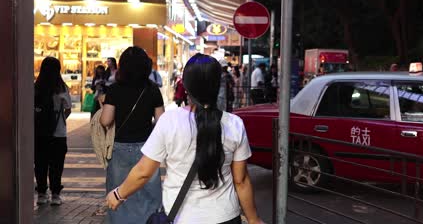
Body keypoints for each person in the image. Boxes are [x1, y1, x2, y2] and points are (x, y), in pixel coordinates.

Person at [105, 53, 265, 224]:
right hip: (225, 217)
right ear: (217, 85)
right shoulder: (235, 124)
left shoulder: (170, 121)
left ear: (186, 86)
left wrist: (119, 194)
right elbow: (241, 181)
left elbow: (144, 172)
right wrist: (253, 219)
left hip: (182, 218)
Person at [100, 46, 165, 223]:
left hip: (119, 149)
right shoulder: (152, 90)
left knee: (119, 196)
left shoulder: (114, 90)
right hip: (148, 150)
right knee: (148, 197)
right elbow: (161, 123)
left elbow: (105, 121)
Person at [34, 57, 72, 206]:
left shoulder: (36, 87)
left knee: (40, 163)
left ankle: (42, 194)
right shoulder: (62, 88)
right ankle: (55, 194)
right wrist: (59, 118)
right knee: (56, 164)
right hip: (58, 133)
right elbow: (68, 108)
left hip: (39, 133)